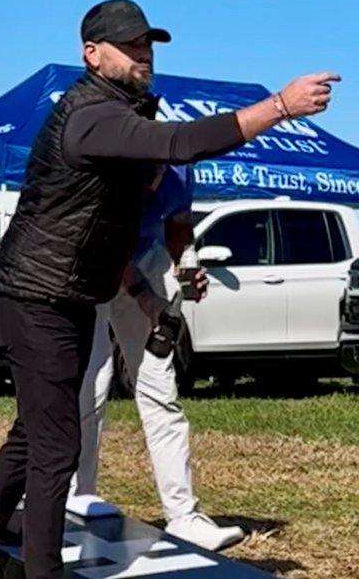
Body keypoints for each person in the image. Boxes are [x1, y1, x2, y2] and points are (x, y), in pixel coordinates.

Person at [0, 0, 338, 579]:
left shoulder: (120, 114)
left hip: (63, 293)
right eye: (130, 45)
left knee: (33, 435)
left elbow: (111, 226)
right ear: (92, 54)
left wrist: (149, 298)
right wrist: (279, 107)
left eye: (148, 44)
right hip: (37, 296)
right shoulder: (90, 115)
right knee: (57, 447)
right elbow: (182, 144)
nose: (143, 54)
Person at [72, 158, 243, 551]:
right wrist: (144, 296)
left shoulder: (181, 168)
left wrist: (186, 265)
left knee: (160, 389)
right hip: (92, 261)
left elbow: (178, 225)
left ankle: (183, 517)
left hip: (146, 259)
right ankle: (76, 498)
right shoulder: (107, 163)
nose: (159, 178)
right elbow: (109, 245)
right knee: (91, 385)